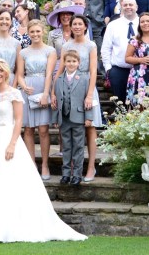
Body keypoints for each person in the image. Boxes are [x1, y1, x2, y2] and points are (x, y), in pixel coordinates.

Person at [0, 58, 85, 243]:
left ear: (6, 73)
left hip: (9, 138)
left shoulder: (14, 94)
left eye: (1, 71)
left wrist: (11, 144)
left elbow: (19, 120)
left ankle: (16, 224)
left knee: (12, 181)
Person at [62, 15, 101, 182]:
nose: (77, 27)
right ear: (70, 27)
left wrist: (90, 94)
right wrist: (55, 90)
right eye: (74, 24)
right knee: (70, 128)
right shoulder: (66, 45)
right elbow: (61, 69)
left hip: (87, 86)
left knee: (90, 128)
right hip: (70, 89)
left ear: (85, 27)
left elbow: (93, 71)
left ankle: (91, 167)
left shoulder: (91, 45)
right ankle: (71, 168)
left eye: (80, 24)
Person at [15, 19, 56, 179]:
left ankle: (45, 165)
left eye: (38, 31)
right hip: (28, 90)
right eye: (32, 32)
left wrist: (46, 94)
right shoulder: (23, 52)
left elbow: (49, 74)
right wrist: (24, 86)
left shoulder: (50, 51)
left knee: (44, 129)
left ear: (43, 32)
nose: (35, 34)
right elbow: (19, 74)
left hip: (43, 87)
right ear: (28, 33)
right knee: (28, 129)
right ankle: (31, 165)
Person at [51, 50, 91, 186]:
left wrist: (88, 117)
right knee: (66, 148)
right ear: (64, 63)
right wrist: (55, 118)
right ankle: (66, 174)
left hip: (79, 118)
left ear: (78, 63)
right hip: (64, 118)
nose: (71, 64)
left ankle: (77, 175)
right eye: (68, 61)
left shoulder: (84, 78)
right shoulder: (59, 79)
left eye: (74, 61)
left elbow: (88, 100)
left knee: (78, 147)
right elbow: (57, 102)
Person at [101, 0, 139, 103]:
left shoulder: (144, 23)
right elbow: (106, 48)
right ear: (121, 7)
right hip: (118, 70)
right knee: (120, 104)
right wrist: (108, 68)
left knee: (138, 103)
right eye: (125, 5)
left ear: (136, 7)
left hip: (139, 69)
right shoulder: (113, 25)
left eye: (131, 4)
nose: (128, 7)